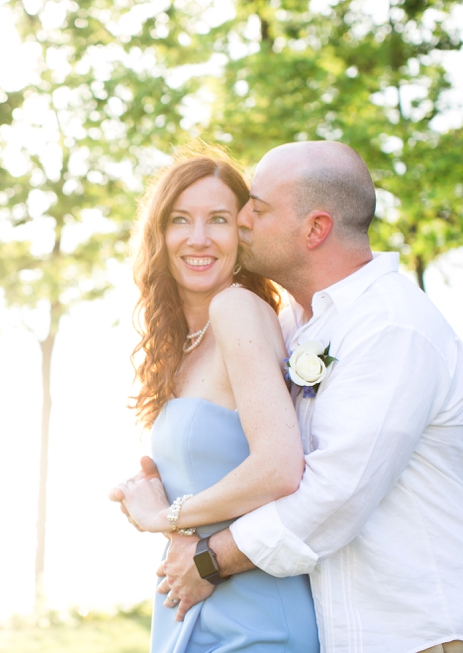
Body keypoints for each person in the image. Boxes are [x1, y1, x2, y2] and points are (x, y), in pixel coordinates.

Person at [116, 141, 463, 653]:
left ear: (315, 229)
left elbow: (332, 494)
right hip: (346, 628)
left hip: (425, 631)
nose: (242, 223)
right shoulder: (298, 324)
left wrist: (201, 552)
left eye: (255, 210)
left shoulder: (390, 326)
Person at [111, 149, 320, 652]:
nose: (199, 238)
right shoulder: (182, 343)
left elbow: (279, 468)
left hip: (257, 621)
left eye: (219, 220)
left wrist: (166, 516)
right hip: (199, 611)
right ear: (159, 233)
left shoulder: (236, 310)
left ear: (242, 233)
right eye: (181, 219)